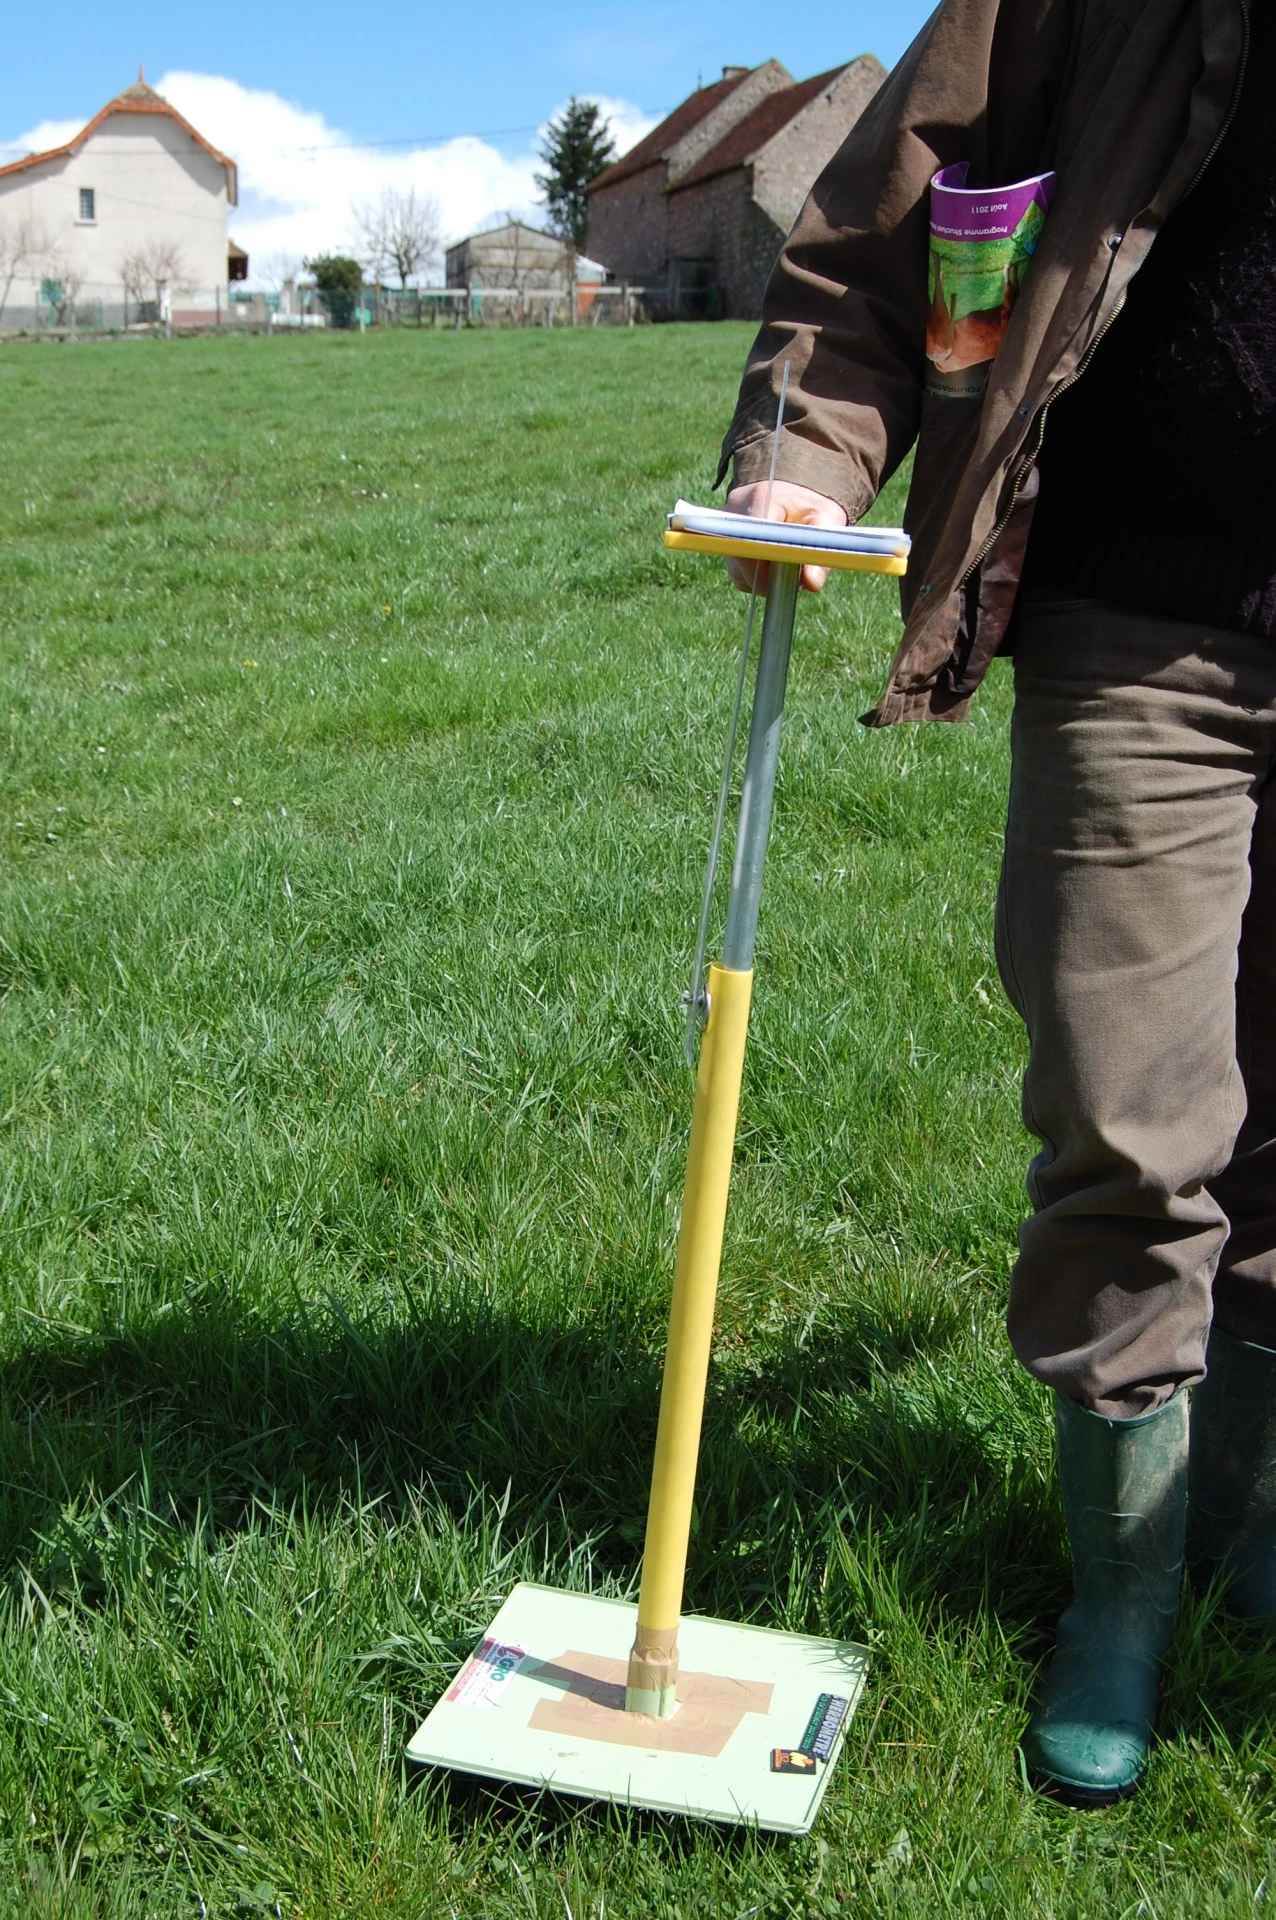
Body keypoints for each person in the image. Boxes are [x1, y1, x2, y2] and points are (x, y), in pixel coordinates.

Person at [719, 0, 1272, 1804]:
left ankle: (1243, 1519)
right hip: (1146, 621)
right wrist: (810, 444)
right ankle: (1124, 1592)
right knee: (1127, 1109)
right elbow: (910, 198)